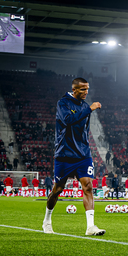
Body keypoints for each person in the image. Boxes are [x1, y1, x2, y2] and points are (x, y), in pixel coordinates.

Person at [42, 77, 106, 236]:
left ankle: (90, 227)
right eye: (83, 89)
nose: (86, 92)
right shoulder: (63, 103)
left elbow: (84, 129)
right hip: (64, 154)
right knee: (58, 189)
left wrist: (86, 146)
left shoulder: (84, 106)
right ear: (74, 89)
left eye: (87, 89)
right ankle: (47, 220)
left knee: (88, 186)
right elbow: (68, 120)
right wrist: (89, 109)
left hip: (83, 154)